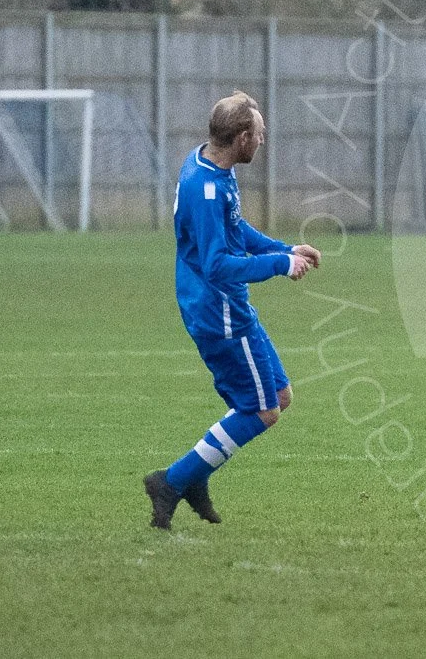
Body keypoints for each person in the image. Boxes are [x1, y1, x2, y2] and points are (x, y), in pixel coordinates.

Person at [143, 91, 321, 530]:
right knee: (263, 411)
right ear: (241, 137)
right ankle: (173, 481)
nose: (262, 142)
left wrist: (284, 248)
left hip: (226, 308)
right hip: (217, 312)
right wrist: (281, 265)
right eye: (259, 134)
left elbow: (235, 228)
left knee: (278, 396)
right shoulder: (205, 189)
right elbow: (217, 265)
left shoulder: (211, 165)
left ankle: (192, 477)